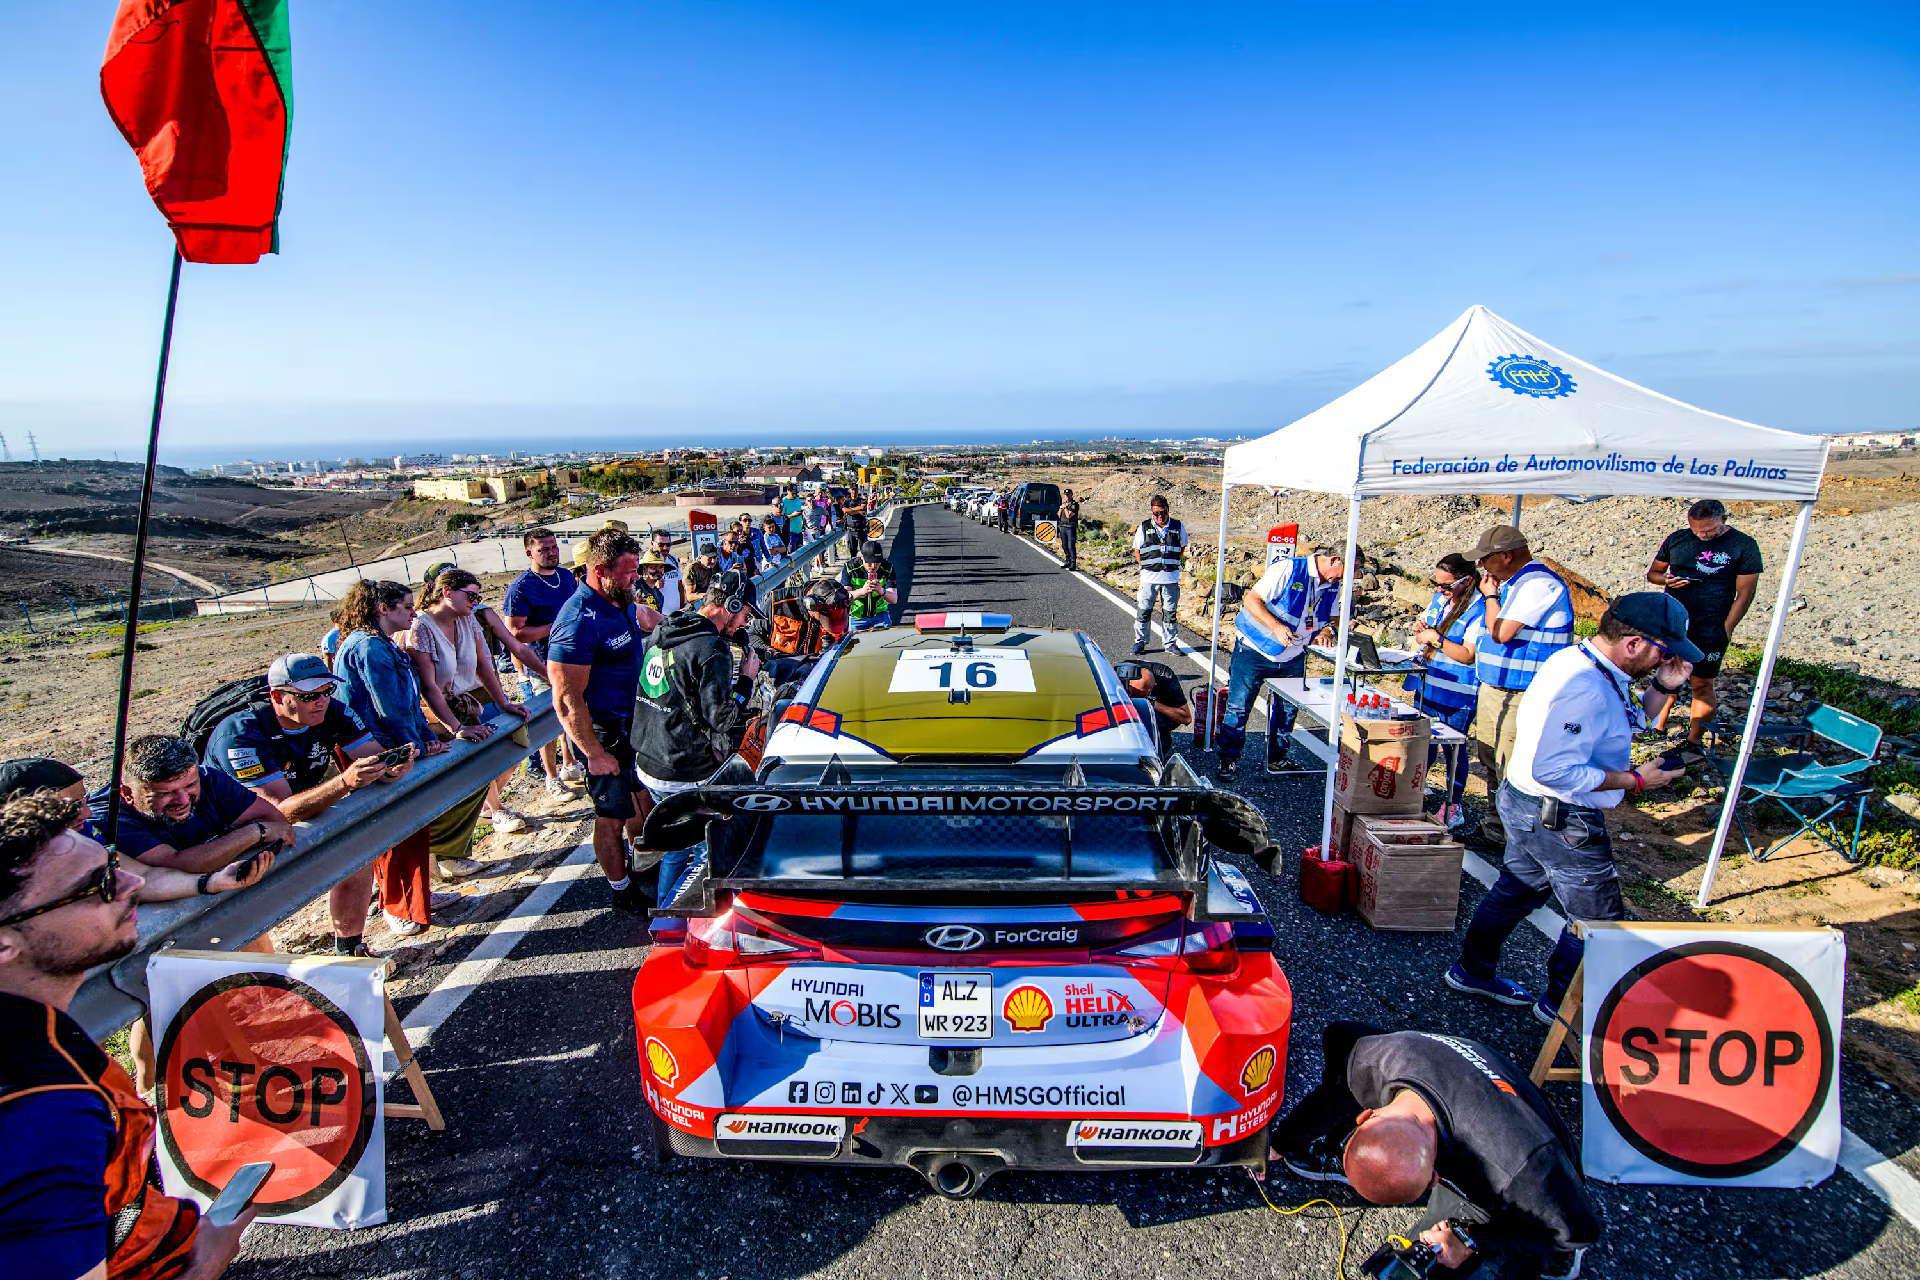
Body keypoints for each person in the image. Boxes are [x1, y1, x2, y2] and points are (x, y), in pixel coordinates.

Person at [0, 791, 256, 1280]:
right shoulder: (44, 1112)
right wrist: (204, 1266)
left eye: (112, 867)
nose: (132, 883)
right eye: (95, 886)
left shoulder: (36, 1032)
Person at [1446, 594, 1696, 1022]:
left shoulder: (1585, 663)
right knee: (1596, 921)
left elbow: (1625, 718)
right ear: (1634, 643)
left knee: (1516, 890)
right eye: (1664, 651)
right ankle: (1561, 1007)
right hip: (1560, 816)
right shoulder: (1586, 687)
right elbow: (1555, 770)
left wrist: (1663, 687)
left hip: (1527, 802)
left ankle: (1472, 970)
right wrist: (1635, 780)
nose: (1665, 660)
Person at [1270, 1022, 1601, 1280]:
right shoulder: (1373, 1057)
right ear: (1366, 1116)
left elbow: (1579, 1232)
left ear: (1436, 1178)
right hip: (1472, 1102)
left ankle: (1554, 1265)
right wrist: (1283, 1142)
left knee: (1439, 1266)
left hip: (1545, 1188)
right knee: (1418, 1258)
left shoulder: (1521, 1167)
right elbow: (1338, 1077)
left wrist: (1473, 1241)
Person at [202, 653, 410, 956]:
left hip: (295, 802)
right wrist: (344, 783)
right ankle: (266, 976)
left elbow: (372, 754)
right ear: (278, 696)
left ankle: (350, 949)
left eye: (327, 691)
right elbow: (279, 811)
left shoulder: (332, 710)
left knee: (356, 854)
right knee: (245, 908)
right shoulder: (240, 735)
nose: (321, 701)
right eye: (309, 695)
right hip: (234, 827)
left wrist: (391, 767)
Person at [331, 579, 462, 938]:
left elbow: (405, 701)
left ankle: (417, 897)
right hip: (378, 749)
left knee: (411, 827)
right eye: (405, 607)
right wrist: (414, 744)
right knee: (394, 829)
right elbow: (388, 708)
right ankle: (397, 907)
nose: (413, 613)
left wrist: (423, 737)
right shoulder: (369, 647)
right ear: (382, 609)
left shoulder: (378, 643)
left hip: (391, 744)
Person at [631, 568, 763, 924]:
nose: (745, 622)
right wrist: (746, 680)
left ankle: (664, 922)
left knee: (677, 845)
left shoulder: (667, 629)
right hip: (683, 768)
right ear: (731, 605)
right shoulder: (711, 649)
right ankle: (687, 927)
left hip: (649, 759)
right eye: (745, 613)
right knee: (707, 852)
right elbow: (723, 719)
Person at [548, 528, 663, 911]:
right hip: (604, 734)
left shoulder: (621, 600)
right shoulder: (578, 620)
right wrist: (593, 754)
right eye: (628, 571)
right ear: (600, 571)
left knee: (642, 802)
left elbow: (646, 617)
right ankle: (620, 889)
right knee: (611, 816)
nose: (635, 578)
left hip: (634, 725)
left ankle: (642, 867)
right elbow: (566, 699)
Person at [0, 757, 274, 904]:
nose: (86, 814)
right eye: (70, 808)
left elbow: (142, 876)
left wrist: (211, 883)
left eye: (83, 801)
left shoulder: (80, 835)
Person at [404, 568, 533, 842]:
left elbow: (484, 666)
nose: (476, 602)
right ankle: (490, 814)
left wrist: (504, 702)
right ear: (447, 592)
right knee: (473, 766)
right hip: (438, 710)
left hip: (471, 699)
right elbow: (429, 686)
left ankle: (485, 804)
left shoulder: (467, 618)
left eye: (478, 597)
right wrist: (456, 727)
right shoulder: (421, 627)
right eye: (471, 596)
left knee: (515, 741)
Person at [1464, 526, 1574, 841]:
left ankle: (1517, 836)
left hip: (1521, 692)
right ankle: (1496, 827)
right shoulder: (1515, 584)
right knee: (1491, 758)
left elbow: (1501, 632)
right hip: (1497, 687)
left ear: (1506, 556)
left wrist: (1490, 597)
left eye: (1485, 559)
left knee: (1511, 766)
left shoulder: (1538, 584)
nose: (1482, 567)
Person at [1215, 545, 1347, 780]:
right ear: (1335, 559)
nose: (1349, 577)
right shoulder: (1288, 569)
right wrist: (1275, 626)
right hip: (1254, 650)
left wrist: (1327, 630)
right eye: (1350, 569)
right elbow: (1252, 600)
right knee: (1239, 705)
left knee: (1287, 710)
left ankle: (1277, 758)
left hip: (1294, 655)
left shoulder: (1334, 584)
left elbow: (1334, 616)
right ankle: (1228, 759)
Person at [1646, 498, 1763, 746]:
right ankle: (1658, 724)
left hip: (1711, 623)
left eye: (1709, 530)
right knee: (1667, 673)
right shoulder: (1678, 539)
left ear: (1724, 520)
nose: (1702, 535)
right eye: (1696, 529)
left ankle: (1694, 740)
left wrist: (1728, 626)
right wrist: (1666, 580)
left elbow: (1745, 593)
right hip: (1675, 622)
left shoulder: (1743, 545)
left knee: (1701, 682)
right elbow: (1653, 574)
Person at [1407, 553, 1487, 825]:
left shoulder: (1479, 609)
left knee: (1453, 749)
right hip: (1428, 682)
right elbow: (1423, 630)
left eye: (1446, 585)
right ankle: (1415, 790)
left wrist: (1437, 639)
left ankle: (1453, 804)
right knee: (1423, 742)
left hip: (1457, 692)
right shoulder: (1440, 600)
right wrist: (1420, 630)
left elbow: (1468, 654)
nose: (1440, 590)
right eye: (1436, 584)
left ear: (1467, 581)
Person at [504, 528, 583, 797]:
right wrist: (555, 626)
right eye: (544, 549)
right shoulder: (521, 588)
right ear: (529, 552)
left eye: (554, 547)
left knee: (570, 712)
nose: (551, 553)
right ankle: (551, 776)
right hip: (541, 664)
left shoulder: (565, 577)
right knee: (548, 721)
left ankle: (569, 763)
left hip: (572, 658)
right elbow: (515, 633)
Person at [1130, 494, 1188, 655]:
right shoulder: (1144, 526)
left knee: (1170, 613)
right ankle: (1140, 641)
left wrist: (1172, 562)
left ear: (1168, 510)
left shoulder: (1178, 526)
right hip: (1149, 578)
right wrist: (1144, 566)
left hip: (1170, 578)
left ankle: (1170, 644)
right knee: (1144, 611)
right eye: (1156, 513)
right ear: (1152, 512)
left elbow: (1182, 546)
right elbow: (1137, 550)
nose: (1160, 516)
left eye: (1163, 512)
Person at [1113, 660, 1191, 760]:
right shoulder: (1117, 674)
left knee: (1155, 716)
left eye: (1143, 695)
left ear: (1154, 685)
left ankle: (1160, 751)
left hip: (1160, 716)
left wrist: (1153, 704)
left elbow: (1187, 719)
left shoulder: (1166, 677)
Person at [843, 539, 898, 632]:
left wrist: (882, 591)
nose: (873, 566)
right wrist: (862, 591)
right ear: (862, 557)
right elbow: (844, 598)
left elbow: (894, 599)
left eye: (877, 562)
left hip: (880, 616)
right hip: (857, 618)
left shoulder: (888, 568)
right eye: (869, 562)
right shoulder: (850, 568)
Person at [648, 527, 685, 613]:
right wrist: (652, 586)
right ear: (652, 543)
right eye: (661, 545)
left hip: (675, 615)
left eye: (668, 544)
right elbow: (638, 593)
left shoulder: (673, 560)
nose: (665, 548)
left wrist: (682, 607)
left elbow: (680, 586)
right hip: (657, 616)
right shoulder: (644, 564)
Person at [1057, 487, 1082, 571]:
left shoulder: (1074, 505)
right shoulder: (1064, 504)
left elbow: (1068, 516)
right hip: (1062, 526)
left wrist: (1065, 508)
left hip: (1070, 527)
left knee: (1071, 546)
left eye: (1068, 495)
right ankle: (1067, 561)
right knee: (1064, 545)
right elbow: (1059, 515)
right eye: (1065, 495)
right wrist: (1061, 508)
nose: (1067, 496)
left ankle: (1073, 564)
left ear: (1071, 495)